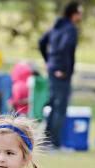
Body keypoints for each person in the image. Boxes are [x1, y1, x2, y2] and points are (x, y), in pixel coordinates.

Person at [39, 1, 82, 149]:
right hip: (61, 72)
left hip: (52, 69)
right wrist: (62, 69)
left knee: (53, 104)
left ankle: (46, 140)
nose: (81, 16)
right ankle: (54, 143)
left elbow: (41, 42)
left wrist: (48, 61)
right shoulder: (70, 29)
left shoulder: (56, 27)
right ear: (73, 14)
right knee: (60, 107)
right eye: (79, 13)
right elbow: (65, 47)